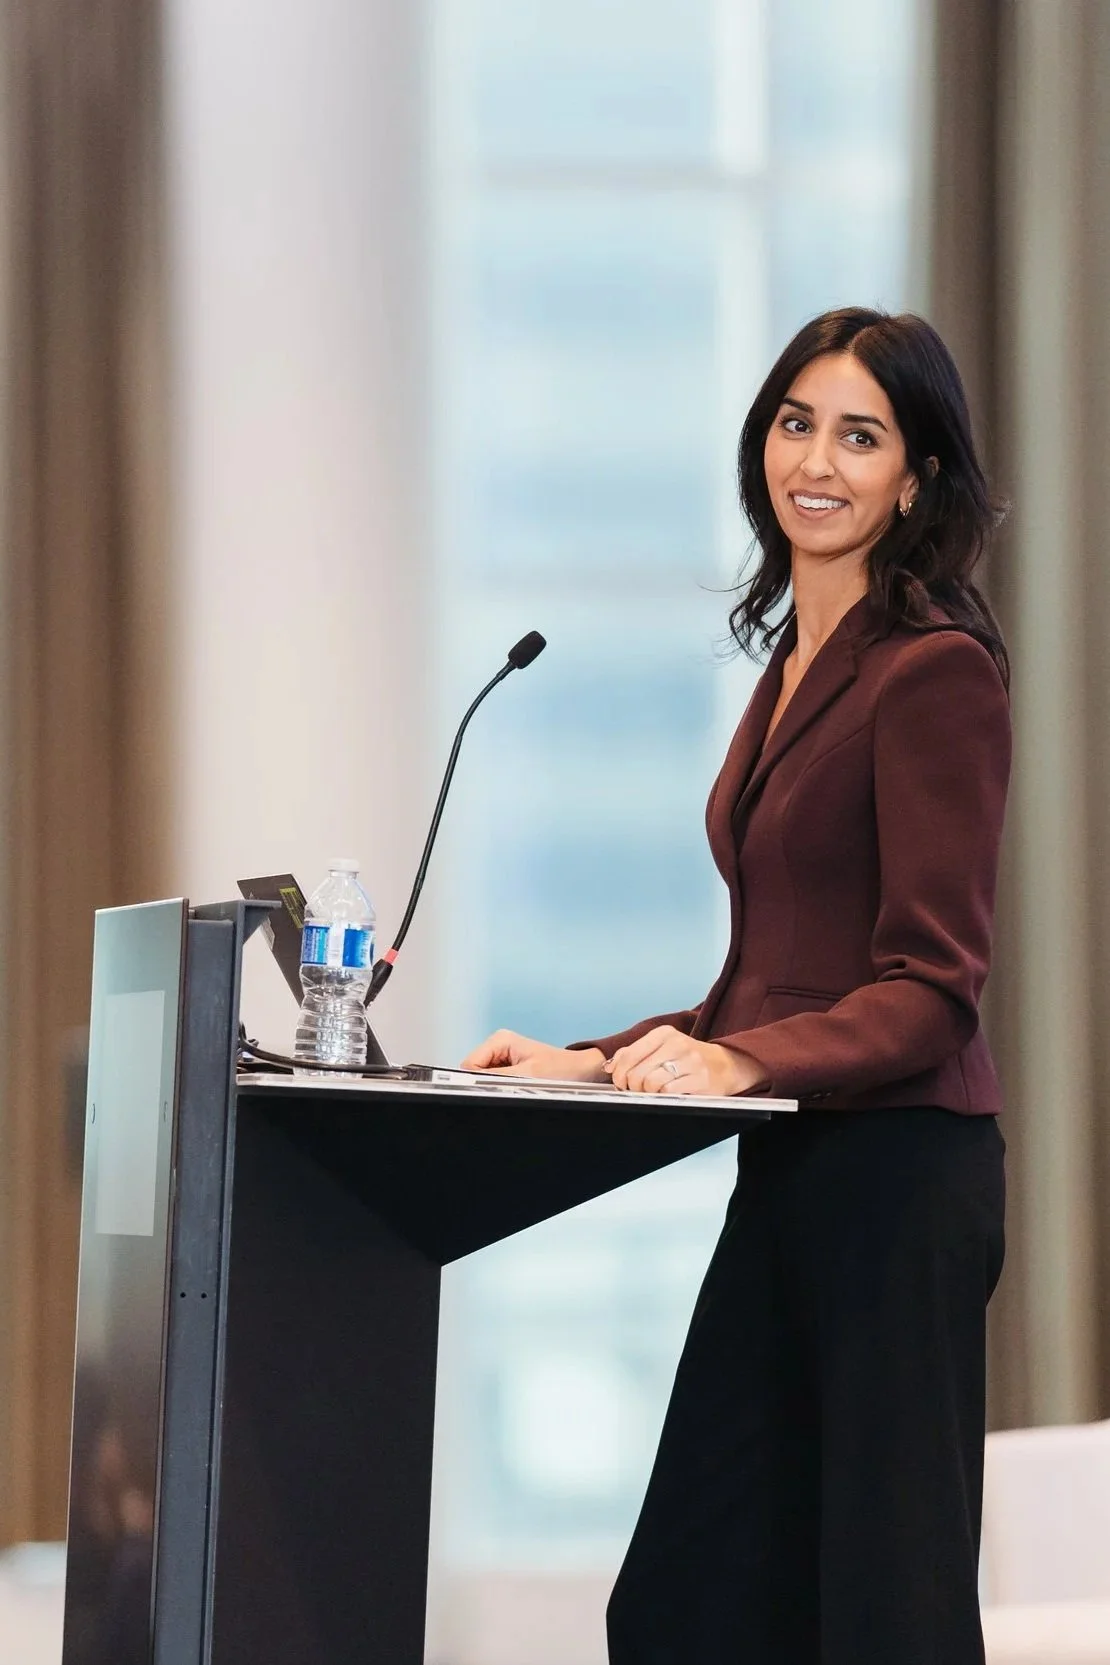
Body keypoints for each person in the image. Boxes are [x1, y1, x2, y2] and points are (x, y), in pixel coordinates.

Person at [463, 306, 1011, 1665]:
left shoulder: (932, 671)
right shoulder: (795, 664)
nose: (813, 460)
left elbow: (932, 987)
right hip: (793, 1176)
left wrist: (742, 1064)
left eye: (859, 435)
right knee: (687, 1605)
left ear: (916, 478)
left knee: (883, 1616)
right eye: (792, 421)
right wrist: (599, 1057)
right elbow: (768, 978)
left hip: (898, 1185)